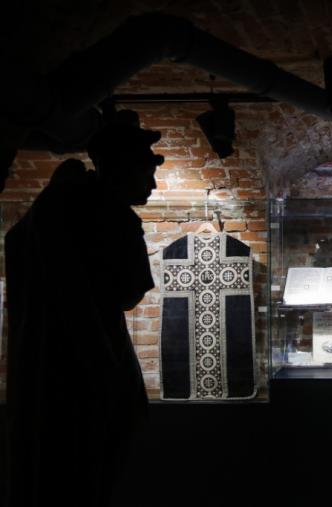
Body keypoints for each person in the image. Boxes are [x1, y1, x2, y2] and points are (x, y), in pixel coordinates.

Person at [4, 109, 163, 506]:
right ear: (122, 170)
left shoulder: (54, 210)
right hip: (92, 362)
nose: (153, 184)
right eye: (146, 173)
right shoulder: (112, 218)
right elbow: (129, 292)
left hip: (52, 362)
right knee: (88, 471)